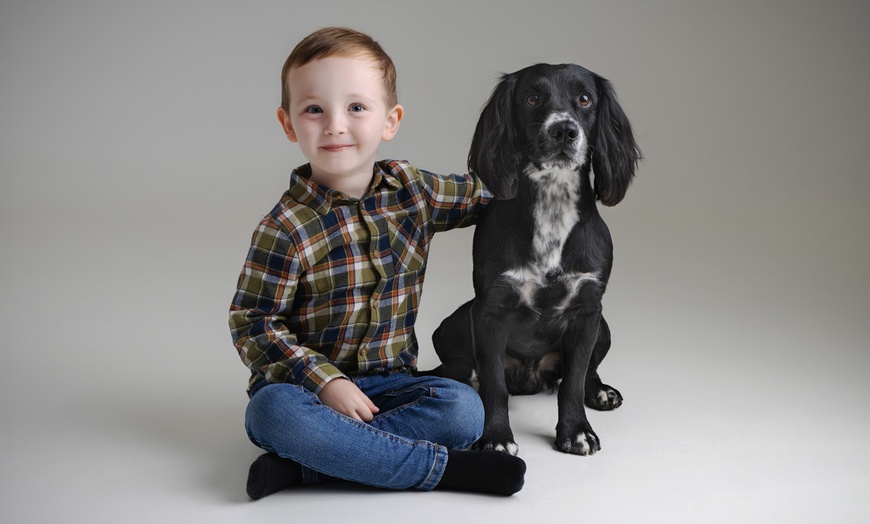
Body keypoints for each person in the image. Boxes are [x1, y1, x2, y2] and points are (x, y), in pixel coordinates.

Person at [228, 27, 526, 499]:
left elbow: (489, 195)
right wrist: (326, 384)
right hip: (308, 393)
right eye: (313, 109)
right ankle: (446, 471)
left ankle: (311, 468)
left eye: (356, 107)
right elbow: (253, 323)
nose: (334, 125)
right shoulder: (284, 226)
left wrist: (540, 159)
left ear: (390, 120)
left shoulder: (414, 191)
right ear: (289, 125)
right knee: (271, 414)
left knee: (463, 409)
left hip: (394, 385)